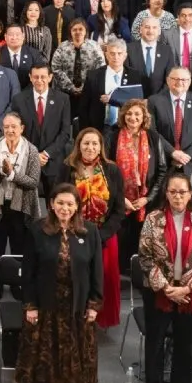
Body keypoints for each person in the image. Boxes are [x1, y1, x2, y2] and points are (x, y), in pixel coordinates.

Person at [17, 184, 102, 383]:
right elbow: (29, 271)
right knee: (44, 352)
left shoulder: (89, 231)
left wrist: (94, 305)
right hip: (45, 304)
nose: (65, 208)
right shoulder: (38, 229)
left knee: (68, 353)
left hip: (75, 305)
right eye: (61, 203)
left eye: (70, 204)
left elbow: (97, 272)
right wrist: (30, 305)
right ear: (51, 204)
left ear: (77, 207)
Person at [138, 173, 192, 383]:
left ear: (190, 194)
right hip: (159, 291)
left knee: (184, 341)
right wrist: (166, 288)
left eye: (183, 192)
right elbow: (145, 257)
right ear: (166, 193)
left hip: (188, 293)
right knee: (156, 339)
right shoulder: (153, 219)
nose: (178, 196)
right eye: (173, 191)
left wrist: (189, 287)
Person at [67, 127, 124, 330]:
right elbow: (57, 201)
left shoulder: (112, 170)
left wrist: (102, 235)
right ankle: (76, 316)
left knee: (104, 278)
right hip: (74, 233)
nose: (90, 147)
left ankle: (99, 319)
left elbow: (118, 209)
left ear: (101, 147)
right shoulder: (68, 168)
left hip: (104, 235)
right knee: (75, 277)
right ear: (79, 146)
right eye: (86, 143)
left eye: (94, 143)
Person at [0, 111, 45, 258]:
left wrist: (12, 175)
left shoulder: (32, 150)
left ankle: (18, 281)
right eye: (6, 127)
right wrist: (1, 172)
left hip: (22, 208)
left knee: (20, 253)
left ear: (21, 128)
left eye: (14, 127)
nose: (10, 130)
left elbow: (33, 182)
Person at [110, 97, 162, 274]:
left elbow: (162, 171)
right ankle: (122, 274)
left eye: (137, 114)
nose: (133, 117)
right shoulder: (113, 136)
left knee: (143, 240)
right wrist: (120, 197)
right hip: (120, 199)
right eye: (129, 114)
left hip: (146, 201)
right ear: (123, 116)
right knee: (122, 240)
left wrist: (147, 198)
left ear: (144, 117)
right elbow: (106, 170)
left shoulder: (153, 137)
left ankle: (141, 275)